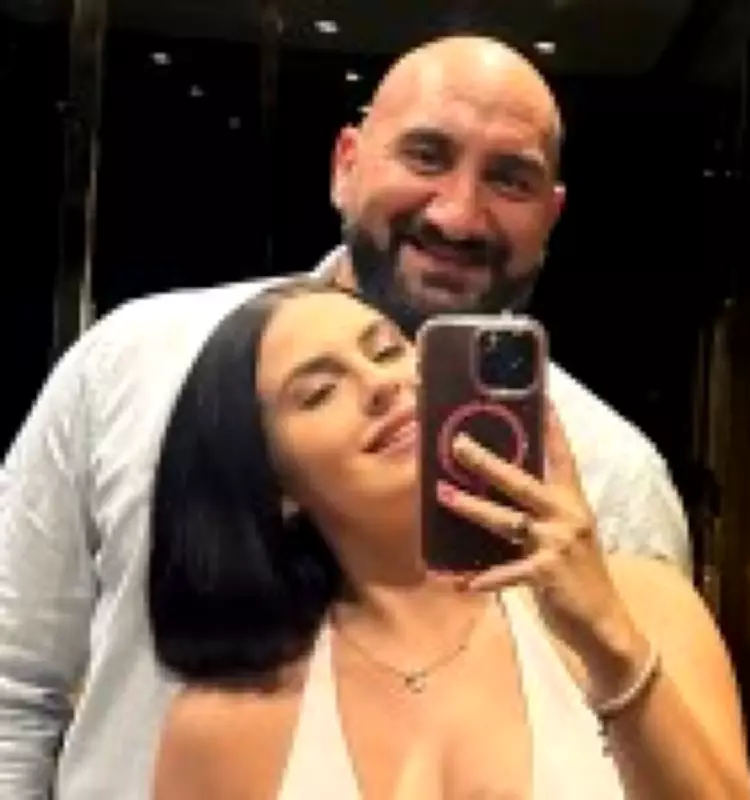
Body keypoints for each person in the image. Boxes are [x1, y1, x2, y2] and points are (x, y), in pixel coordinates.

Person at [0, 35, 690, 799]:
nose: (459, 214)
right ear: (346, 163)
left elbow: (660, 750)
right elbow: (11, 682)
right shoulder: (135, 364)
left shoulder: (609, 472)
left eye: (510, 179)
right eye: (426, 155)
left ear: (552, 215)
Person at [148, 281, 750, 799]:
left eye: (388, 351)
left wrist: (610, 646)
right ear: (276, 483)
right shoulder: (223, 723)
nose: (380, 384)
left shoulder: (643, 604)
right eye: (320, 391)